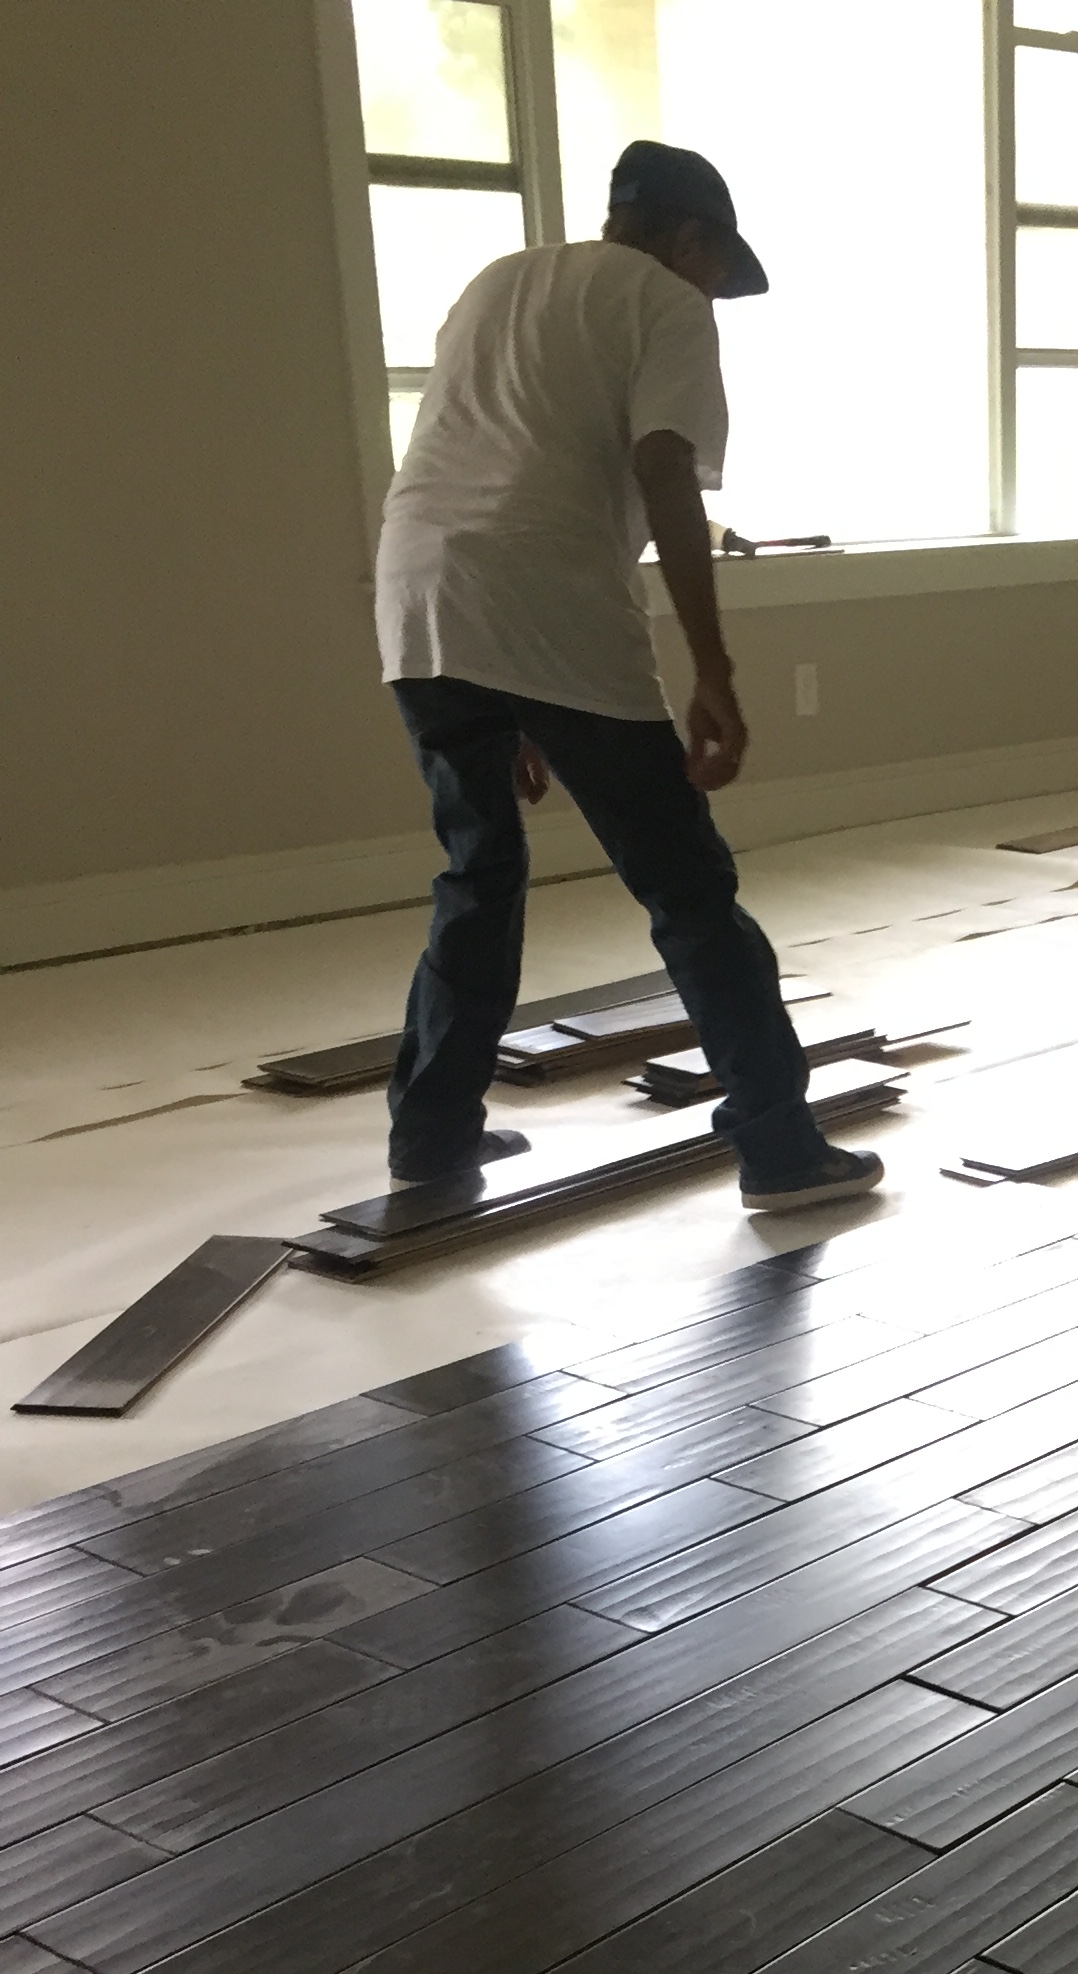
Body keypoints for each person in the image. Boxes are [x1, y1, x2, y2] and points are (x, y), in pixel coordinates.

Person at [373, 139, 883, 1213]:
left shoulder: (496, 282)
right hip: (547, 600)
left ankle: (430, 1135)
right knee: (688, 888)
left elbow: (491, 454)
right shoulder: (663, 300)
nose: (712, 291)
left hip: (421, 595)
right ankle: (782, 1151)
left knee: (478, 872)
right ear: (689, 239)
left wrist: (506, 697)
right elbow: (662, 472)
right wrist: (714, 665)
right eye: (715, 266)